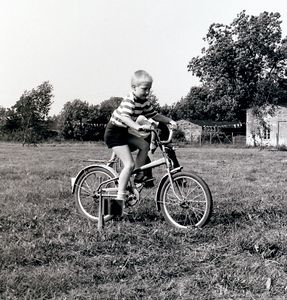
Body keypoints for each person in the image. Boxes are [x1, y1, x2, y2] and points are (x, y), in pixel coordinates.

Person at [104, 70, 177, 216]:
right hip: (114, 134)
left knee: (144, 146)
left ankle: (137, 176)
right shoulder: (129, 100)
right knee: (128, 164)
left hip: (124, 132)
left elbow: (154, 115)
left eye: (149, 89)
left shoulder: (143, 102)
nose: (147, 92)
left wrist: (169, 121)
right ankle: (120, 198)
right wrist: (136, 126)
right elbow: (125, 117)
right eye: (144, 89)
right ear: (133, 87)